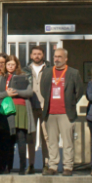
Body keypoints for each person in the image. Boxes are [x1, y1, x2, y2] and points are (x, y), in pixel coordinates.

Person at [40, 48, 84, 176]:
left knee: (68, 141)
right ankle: (53, 166)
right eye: (55, 56)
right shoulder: (48, 72)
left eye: (60, 57)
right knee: (52, 141)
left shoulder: (73, 73)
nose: (57, 59)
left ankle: (68, 167)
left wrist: (70, 102)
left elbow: (79, 91)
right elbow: (43, 89)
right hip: (50, 112)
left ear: (66, 59)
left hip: (66, 113)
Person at [0, 55, 33, 174]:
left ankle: (22, 167)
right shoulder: (1, 77)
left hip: (20, 109)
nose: (10, 66)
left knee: (21, 138)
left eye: (12, 64)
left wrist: (15, 92)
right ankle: (6, 167)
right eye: (8, 64)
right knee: (7, 139)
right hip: (6, 110)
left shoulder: (23, 77)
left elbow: (29, 92)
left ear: (16, 65)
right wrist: (6, 93)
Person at [22, 45, 52, 174]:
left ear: (43, 55)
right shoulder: (24, 70)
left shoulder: (50, 69)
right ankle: (31, 165)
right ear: (30, 56)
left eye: (39, 54)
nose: (37, 56)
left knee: (47, 137)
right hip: (30, 106)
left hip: (46, 106)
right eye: (34, 54)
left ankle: (47, 164)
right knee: (31, 138)